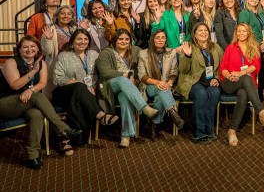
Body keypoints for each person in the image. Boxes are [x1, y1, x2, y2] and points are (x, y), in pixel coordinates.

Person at [0, 36, 82, 169]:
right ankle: (62, 128)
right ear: (19, 49)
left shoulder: (41, 62)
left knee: (37, 114)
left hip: (27, 102)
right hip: (6, 102)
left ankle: (33, 155)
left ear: (38, 48)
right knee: (36, 97)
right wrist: (33, 72)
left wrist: (31, 90)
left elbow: (42, 83)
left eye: (33, 46)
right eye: (25, 47)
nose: (29, 49)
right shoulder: (11, 62)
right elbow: (15, 85)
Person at [52, 29, 119, 152]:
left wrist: (92, 87)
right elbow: (58, 78)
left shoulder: (94, 54)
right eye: (79, 39)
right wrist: (81, 84)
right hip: (64, 92)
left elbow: (98, 75)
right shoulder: (64, 55)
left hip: (86, 94)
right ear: (72, 41)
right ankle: (100, 115)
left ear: (89, 42)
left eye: (85, 39)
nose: (82, 42)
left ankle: (65, 140)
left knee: (77, 101)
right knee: (79, 88)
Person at [95, 29, 157, 148]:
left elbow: (142, 69)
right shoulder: (106, 53)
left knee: (124, 97)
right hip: (110, 87)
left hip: (129, 89)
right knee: (123, 79)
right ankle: (144, 107)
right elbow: (105, 72)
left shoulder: (136, 51)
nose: (124, 41)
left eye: (127, 39)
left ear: (130, 40)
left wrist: (137, 80)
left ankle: (125, 135)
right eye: (120, 39)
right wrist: (125, 75)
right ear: (115, 40)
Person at [220, 23, 264, 145]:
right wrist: (231, 76)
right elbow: (223, 69)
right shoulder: (230, 48)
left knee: (243, 93)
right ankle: (262, 113)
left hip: (246, 83)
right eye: (239, 31)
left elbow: (256, 66)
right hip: (229, 81)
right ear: (236, 33)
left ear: (248, 33)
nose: (241, 33)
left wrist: (240, 73)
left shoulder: (254, 47)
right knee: (246, 78)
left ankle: (232, 130)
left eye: (244, 31)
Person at [174, 23, 223, 144]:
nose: (203, 32)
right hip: (192, 81)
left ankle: (208, 129)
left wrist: (216, 78)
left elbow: (222, 66)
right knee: (201, 95)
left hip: (211, 80)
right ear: (194, 34)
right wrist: (187, 55)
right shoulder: (188, 46)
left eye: (205, 30)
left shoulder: (215, 47)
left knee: (215, 93)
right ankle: (199, 132)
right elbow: (183, 70)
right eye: (200, 30)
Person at [137, 30, 186, 141]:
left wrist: (169, 83)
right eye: (157, 37)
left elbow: (174, 72)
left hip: (166, 86)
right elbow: (142, 75)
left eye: (163, 37)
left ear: (165, 40)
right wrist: (157, 82)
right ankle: (172, 112)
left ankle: (154, 125)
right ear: (152, 39)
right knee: (162, 90)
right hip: (149, 86)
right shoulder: (143, 53)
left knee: (161, 95)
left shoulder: (171, 52)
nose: (160, 40)